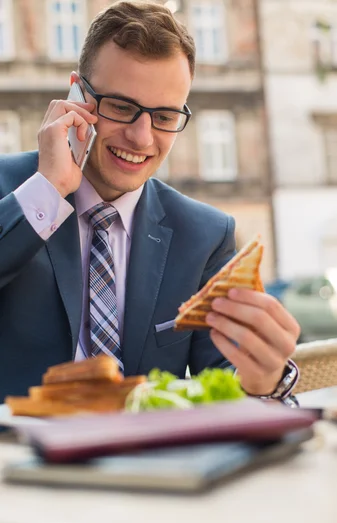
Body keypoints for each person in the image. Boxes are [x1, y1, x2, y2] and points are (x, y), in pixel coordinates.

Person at [0, 1, 300, 405]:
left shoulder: (206, 236)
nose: (142, 138)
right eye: (122, 107)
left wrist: (265, 379)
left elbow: (228, 384)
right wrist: (48, 190)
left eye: (164, 116)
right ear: (76, 94)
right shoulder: (12, 193)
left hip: (147, 464)